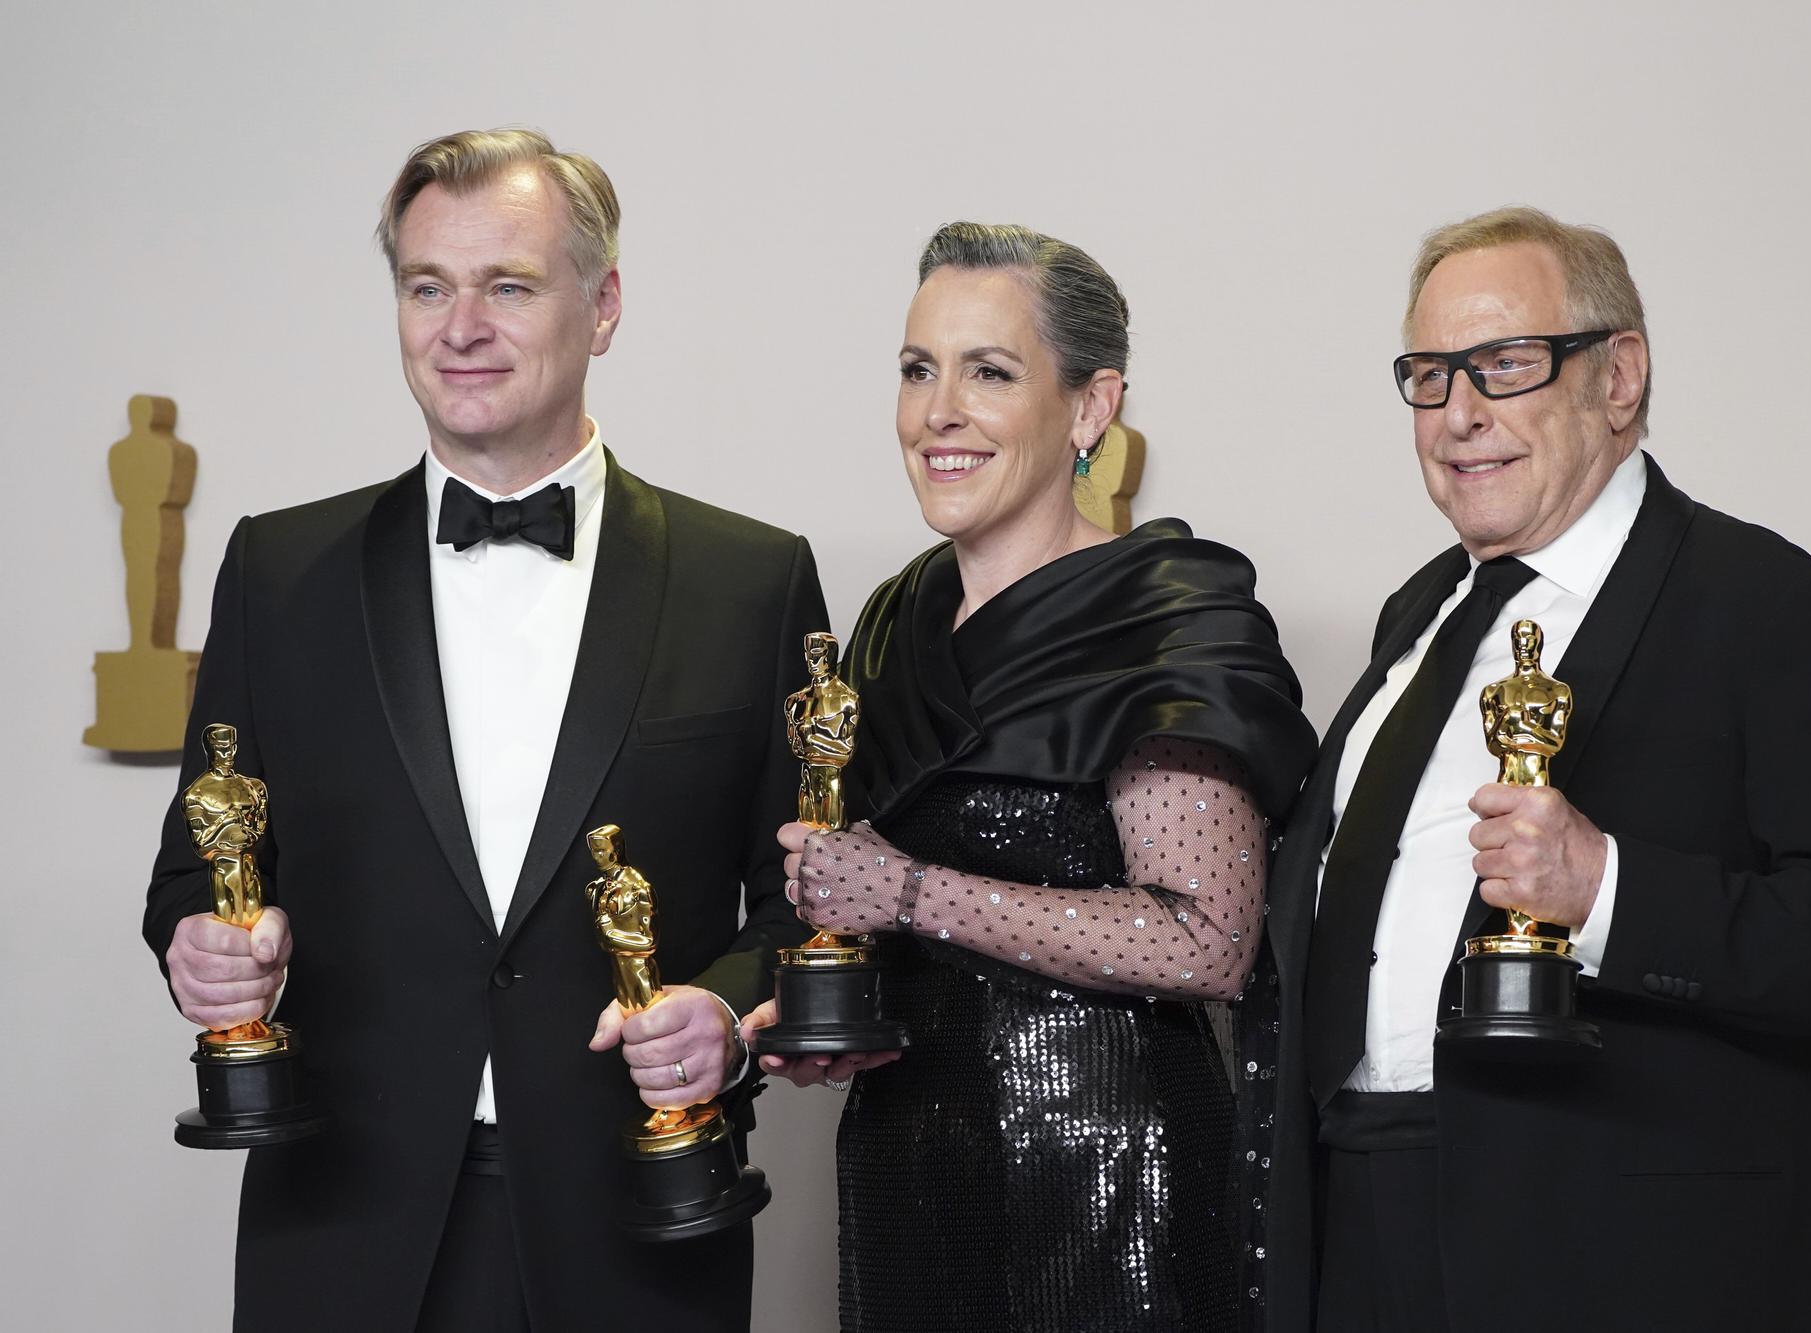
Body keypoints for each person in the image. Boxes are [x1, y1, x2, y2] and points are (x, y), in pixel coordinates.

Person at [141, 128, 825, 1332]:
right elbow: (196, 866)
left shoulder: (753, 579)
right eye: (425, 286)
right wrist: (198, 945)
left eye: (507, 284)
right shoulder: (277, 569)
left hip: (639, 1219)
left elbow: (809, 900)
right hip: (344, 1221)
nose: (460, 327)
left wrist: (721, 1011)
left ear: (602, 305)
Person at [1261, 206, 1811, 1332]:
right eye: (1429, 376)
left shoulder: (1769, 608)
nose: (1458, 415)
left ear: (1617, 375)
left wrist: (1606, 890)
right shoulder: (1418, 613)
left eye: (1505, 365)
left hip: (1622, 1262)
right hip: (1361, 1232)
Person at [742, 221, 1318, 1333]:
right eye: (917, 370)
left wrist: (906, 894)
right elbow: (886, 916)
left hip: (1114, 1188)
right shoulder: (893, 618)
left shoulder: (1166, 617)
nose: (937, 412)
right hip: (908, 1164)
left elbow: (1206, 939)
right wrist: (822, 1001)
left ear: (1091, 408)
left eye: (988, 372)